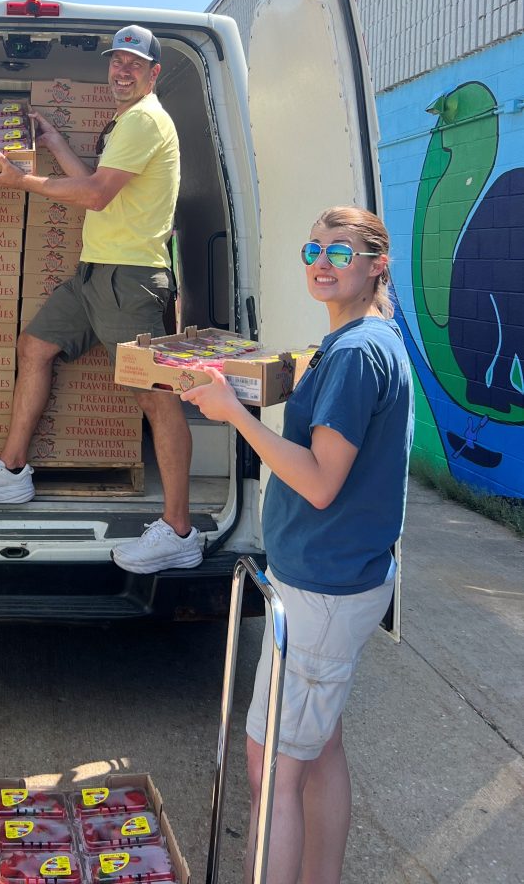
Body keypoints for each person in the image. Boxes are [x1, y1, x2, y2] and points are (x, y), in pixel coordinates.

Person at [181, 207, 413, 884]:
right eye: (314, 247)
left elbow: (317, 481)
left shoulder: (357, 355)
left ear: (376, 264)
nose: (321, 261)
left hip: (323, 589)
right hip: (334, 581)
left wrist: (234, 416)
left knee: (272, 769)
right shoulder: (361, 342)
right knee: (320, 748)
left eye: (341, 252)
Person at [0, 25, 199, 571]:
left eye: (135, 64)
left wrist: (23, 182)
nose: (122, 71)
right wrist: (54, 141)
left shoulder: (144, 119)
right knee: (35, 346)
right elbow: (95, 185)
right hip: (94, 275)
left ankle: (179, 531)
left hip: (130, 280)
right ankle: (13, 473)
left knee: (157, 398)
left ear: (154, 74)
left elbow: (92, 195)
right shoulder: (126, 122)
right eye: (117, 62)